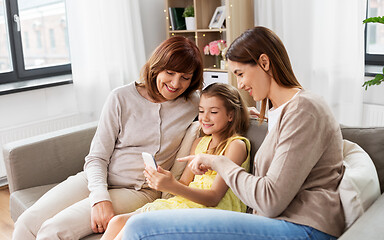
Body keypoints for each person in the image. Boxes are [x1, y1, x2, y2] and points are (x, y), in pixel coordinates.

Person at [122, 26, 345, 240]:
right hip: (277, 222)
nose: (239, 84)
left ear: (264, 62)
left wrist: (217, 162)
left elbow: (270, 200)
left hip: (304, 228)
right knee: (134, 222)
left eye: (240, 73)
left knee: (139, 227)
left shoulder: (305, 109)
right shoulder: (281, 112)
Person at [12, 36, 204, 240]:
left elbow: (226, 110)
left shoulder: (193, 104)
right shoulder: (121, 97)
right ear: (156, 67)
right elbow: (96, 157)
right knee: (26, 223)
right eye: (170, 72)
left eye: (185, 77)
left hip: (138, 190)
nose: (176, 83)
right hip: (96, 178)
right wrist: (100, 198)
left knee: (53, 230)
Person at [100, 83, 251, 240]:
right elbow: (185, 183)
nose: (204, 118)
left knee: (133, 228)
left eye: (213, 112)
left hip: (212, 211)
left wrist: (172, 186)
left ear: (230, 115)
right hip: (187, 204)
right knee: (117, 222)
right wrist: (165, 180)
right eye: (201, 111)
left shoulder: (236, 146)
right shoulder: (199, 143)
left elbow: (214, 197)